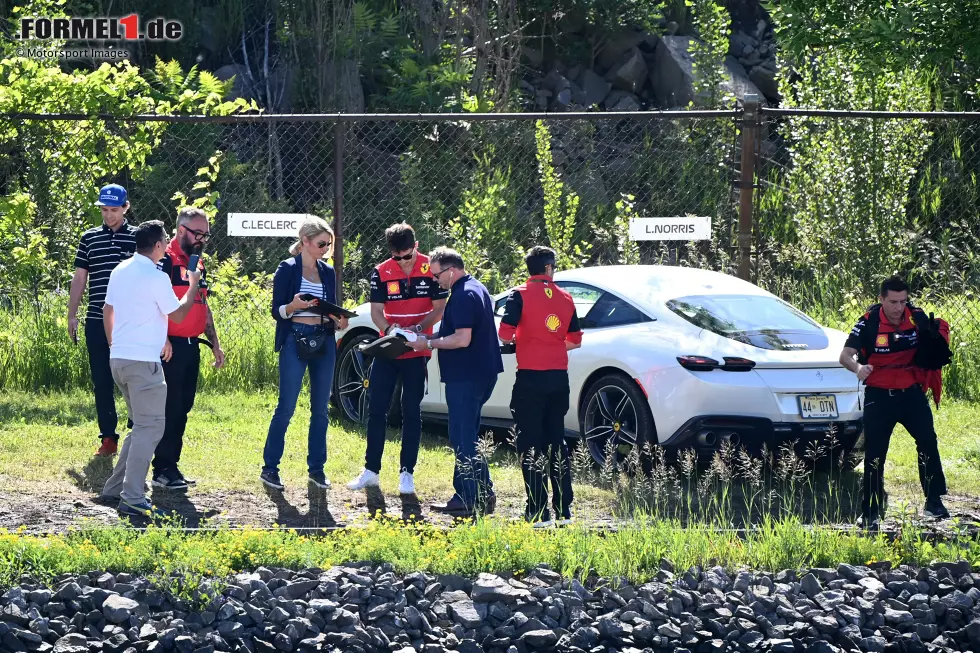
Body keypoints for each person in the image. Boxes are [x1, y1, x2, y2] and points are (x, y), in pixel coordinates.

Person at [100, 220, 201, 517]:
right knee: (152, 427)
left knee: (139, 425)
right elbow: (179, 314)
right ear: (158, 245)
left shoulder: (120, 269)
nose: (167, 244)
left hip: (119, 359)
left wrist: (113, 346)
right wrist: (193, 283)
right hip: (144, 363)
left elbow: (108, 310)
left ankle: (115, 488)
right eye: (166, 240)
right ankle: (132, 496)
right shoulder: (156, 276)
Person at [839, 275, 951, 528]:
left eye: (903, 301)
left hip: (911, 393)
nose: (898, 307)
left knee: (927, 443)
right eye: (893, 302)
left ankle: (934, 502)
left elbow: (937, 343)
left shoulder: (915, 317)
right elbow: (844, 356)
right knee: (875, 453)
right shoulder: (868, 323)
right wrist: (858, 368)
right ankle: (870, 512)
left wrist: (932, 342)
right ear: (881, 299)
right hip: (879, 396)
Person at [347, 223, 447, 495]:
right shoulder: (381, 271)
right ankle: (371, 470)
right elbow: (377, 311)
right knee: (377, 407)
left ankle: (407, 473)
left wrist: (416, 330)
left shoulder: (431, 268)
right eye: (397, 257)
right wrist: (390, 330)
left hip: (417, 349)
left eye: (407, 255)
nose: (402, 262)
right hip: (389, 348)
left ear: (416, 246)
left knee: (411, 411)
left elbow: (439, 309)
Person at [408, 247, 503, 517]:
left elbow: (462, 339)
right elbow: (455, 328)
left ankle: (468, 498)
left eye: (437, 275)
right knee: (467, 435)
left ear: (451, 271)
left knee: (462, 436)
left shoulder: (463, 295)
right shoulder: (476, 288)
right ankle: (482, 493)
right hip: (480, 373)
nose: (435, 281)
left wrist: (428, 343)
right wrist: (423, 332)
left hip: (466, 375)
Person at [260, 217, 348, 491]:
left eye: (329, 244)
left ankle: (317, 469)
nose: (325, 249)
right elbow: (277, 311)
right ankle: (270, 468)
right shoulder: (287, 269)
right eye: (321, 243)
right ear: (305, 241)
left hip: (323, 340)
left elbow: (331, 306)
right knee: (286, 407)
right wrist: (293, 306)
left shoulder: (327, 271)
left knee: (321, 409)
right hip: (294, 339)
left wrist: (339, 319)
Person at [498, 246, 582, 527]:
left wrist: (525, 342)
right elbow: (575, 339)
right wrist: (551, 344)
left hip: (531, 377)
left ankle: (537, 510)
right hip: (559, 378)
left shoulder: (518, 295)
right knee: (556, 440)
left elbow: (505, 333)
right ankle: (564, 510)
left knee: (530, 442)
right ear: (549, 269)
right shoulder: (566, 297)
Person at [150, 207, 226, 490]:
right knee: (168, 408)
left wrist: (215, 342)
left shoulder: (198, 264)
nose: (202, 239)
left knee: (183, 407)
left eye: (206, 234)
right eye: (198, 233)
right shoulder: (165, 260)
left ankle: (172, 466)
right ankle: (161, 469)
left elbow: (203, 305)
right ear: (181, 230)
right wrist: (162, 337)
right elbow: (152, 303)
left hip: (192, 346)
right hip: (169, 347)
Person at [68, 184, 138, 457]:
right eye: (104, 210)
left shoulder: (138, 238)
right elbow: (80, 278)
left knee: (132, 376)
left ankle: (136, 430)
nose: (108, 215)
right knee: (102, 379)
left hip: (130, 322)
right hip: (97, 318)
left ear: (126, 207)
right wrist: (72, 314)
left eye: (114, 210)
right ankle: (108, 437)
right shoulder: (89, 238)